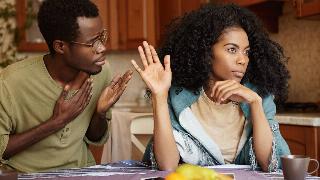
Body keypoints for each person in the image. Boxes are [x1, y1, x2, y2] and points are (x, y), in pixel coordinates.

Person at [131, 4, 290, 172]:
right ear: (205, 51)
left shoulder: (259, 94)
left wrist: (255, 103)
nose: (242, 60)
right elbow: (167, 165)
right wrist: (159, 96)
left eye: (246, 52)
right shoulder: (179, 96)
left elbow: (269, 164)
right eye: (232, 49)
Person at [0, 0, 132, 172]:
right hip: (26, 175)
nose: (102, 48)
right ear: (61, 46)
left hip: (82, 172)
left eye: (102, 37)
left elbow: (95, 137)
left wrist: (99, 113)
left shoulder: (100, 72)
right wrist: (56, 122)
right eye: (92, 42)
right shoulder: (11, 81)